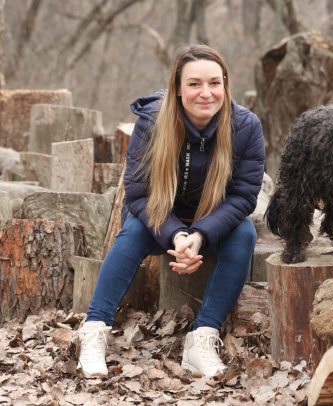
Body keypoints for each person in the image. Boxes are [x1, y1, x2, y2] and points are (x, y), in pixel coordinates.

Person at [76, 44, 265, 378]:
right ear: (178, 88)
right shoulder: (153, 122)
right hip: (158, 220)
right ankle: (93, 331)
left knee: (245, 232)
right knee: (133, 230)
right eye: (194, 84)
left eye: (214, 83)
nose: (206, 93)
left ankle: (202, 340)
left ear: (225, 85)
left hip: (214, 223)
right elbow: (138, 195)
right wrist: (177, 234)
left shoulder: (245, 127)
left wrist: (201, 234)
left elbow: (243, 196)